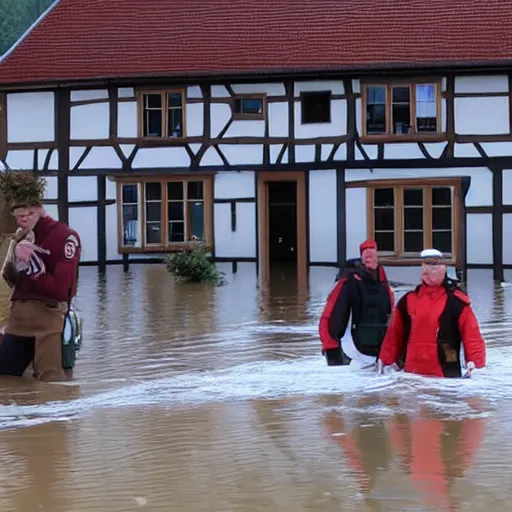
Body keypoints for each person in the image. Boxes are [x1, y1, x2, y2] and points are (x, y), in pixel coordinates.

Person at [0, 187, 82, 382]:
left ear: (36, 210)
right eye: (18, 217)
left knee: (51, 381)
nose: (22, 221)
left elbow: (61, 290)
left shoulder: (65, 237)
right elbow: (10, 278)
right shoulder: (20, 236)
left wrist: (35, 271)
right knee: (4, 379)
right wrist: (17, 265)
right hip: (19, 319)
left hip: (48, 318)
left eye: (26, 215)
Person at [377, 249, 486, 378]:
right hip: (411, 376)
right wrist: (385, 361)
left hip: (445, 377)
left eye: (434, 267)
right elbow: (394, 335)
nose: (428, 271)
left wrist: (476, 364)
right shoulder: (407, 301)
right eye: (426, 266)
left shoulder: (456, 302)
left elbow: (472, 337)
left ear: (443, 269)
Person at [319, 240, 395, 367]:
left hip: (378, 355)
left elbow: (393, 322)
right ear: (362, 259)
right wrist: (331, 348)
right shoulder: (346, 284)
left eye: (373, 256)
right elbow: (330, 318)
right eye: (367, 256)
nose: (370, 260)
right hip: (351, 354)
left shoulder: (386, 288)